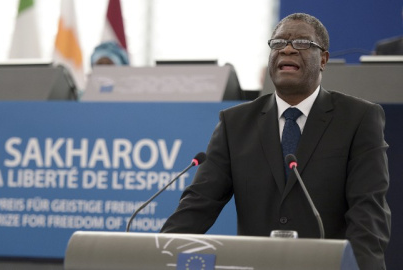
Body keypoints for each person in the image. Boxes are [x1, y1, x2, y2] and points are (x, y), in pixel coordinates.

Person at [160, 13, 391, 270]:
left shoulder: (358, 118)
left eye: (302, 42)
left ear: (323, 59)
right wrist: (158, 254)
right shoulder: (235, 124)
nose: (288, 49)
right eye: (278, 43)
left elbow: (368, 214)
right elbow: (198, 204)